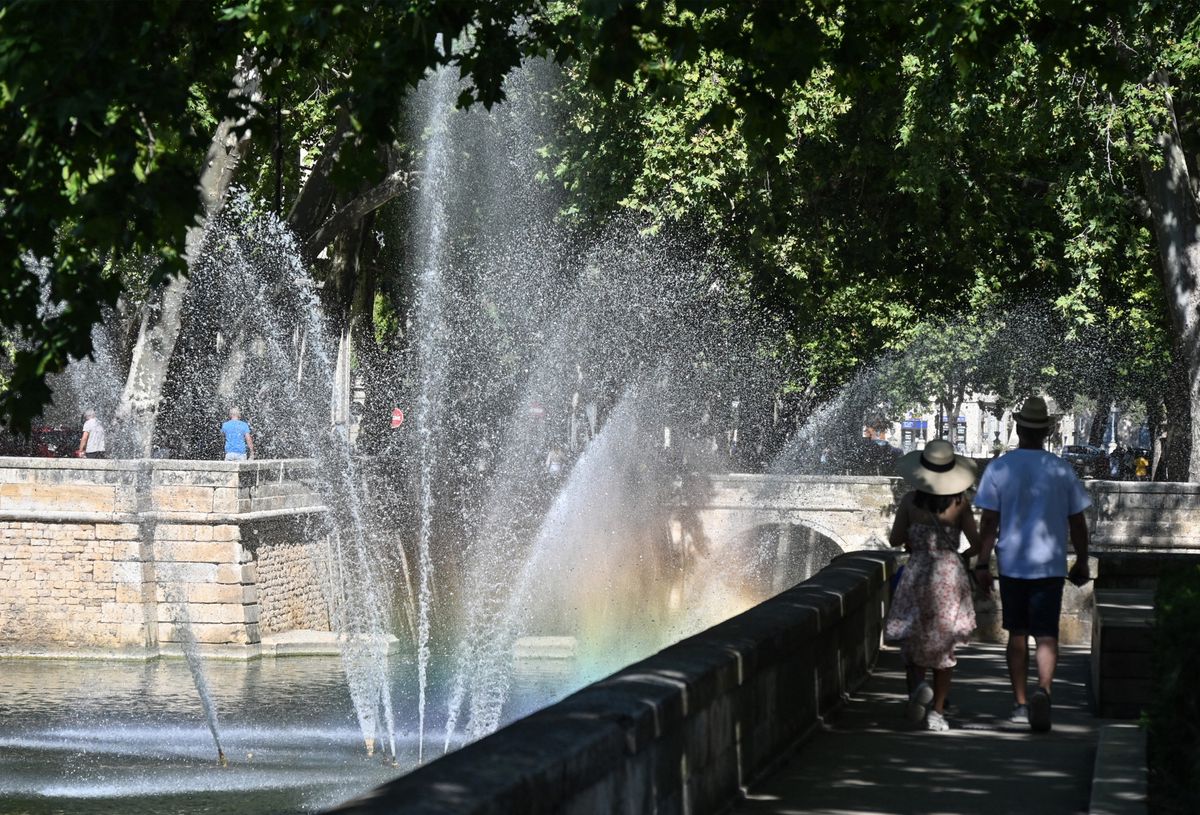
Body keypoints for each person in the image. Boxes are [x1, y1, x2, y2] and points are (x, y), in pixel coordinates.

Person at [973, 396, 1090, 732]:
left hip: (1012, 563)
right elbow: (1078, 522)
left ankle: (1021, 704)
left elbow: (989, 523)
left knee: (1018, 635)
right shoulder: (1061, 469)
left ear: (1019, 428)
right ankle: (1045, 692)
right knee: (1047, 635)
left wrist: (982, 563)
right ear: (1048, 431)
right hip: (1050, 564)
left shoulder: (999, 468)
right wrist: (1081, 560)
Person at [885, 439, 980, 732]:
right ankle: (938, 712)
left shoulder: (910, 502)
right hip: (949, 576)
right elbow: (976, 544)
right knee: (943, 646)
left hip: (919, 572)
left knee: (914, 638)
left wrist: (916, 539)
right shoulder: (960, 503)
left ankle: (917, 690)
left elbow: (895, 539)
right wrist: (960, 556)